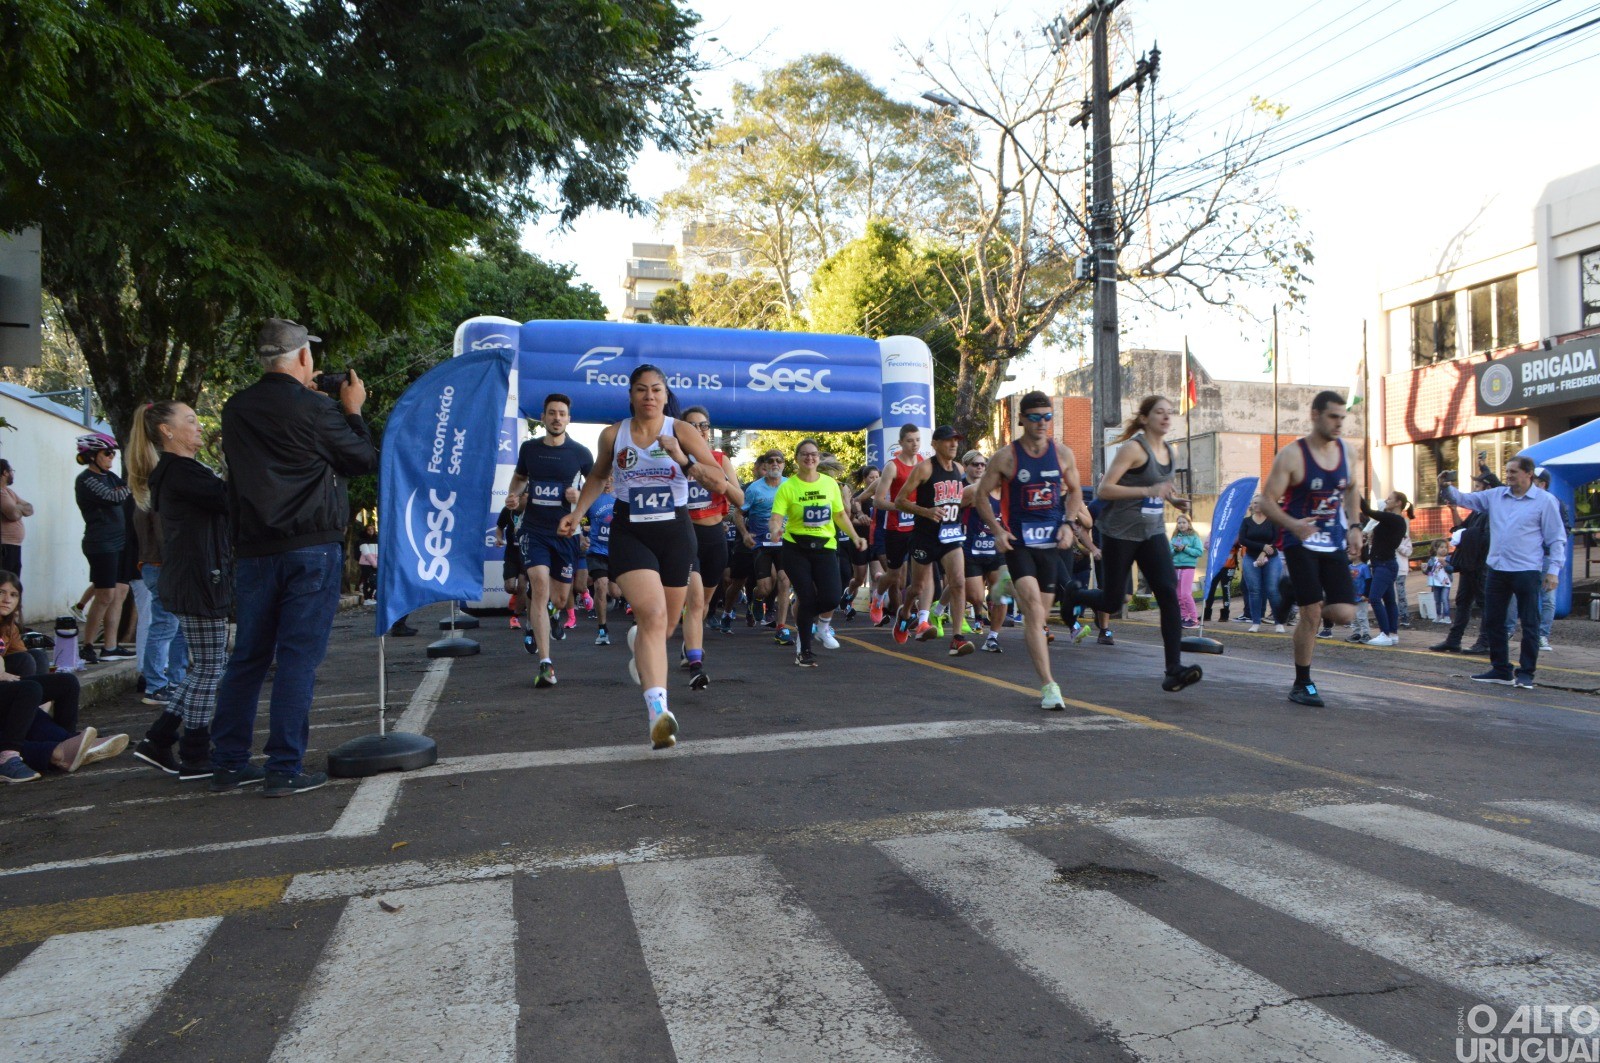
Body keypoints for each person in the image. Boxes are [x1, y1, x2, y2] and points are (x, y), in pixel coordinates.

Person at [207, 318, 378, 796]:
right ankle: (283, 767)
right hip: (310, 547)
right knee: (298, 658)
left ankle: (228, 762)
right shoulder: (315, 411)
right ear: (303, 357)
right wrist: (352, 410)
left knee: (248, 657)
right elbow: (362, 458)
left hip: (255, 549)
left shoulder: (235, 408)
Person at [562, 365, 721, 747]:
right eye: (641, 390)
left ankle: (641, 650)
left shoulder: (681, 431)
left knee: (664, 627)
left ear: (666, 397)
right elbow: (598, 477)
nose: (649, 396)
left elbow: (719, 482)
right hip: (630, 531)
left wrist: (682, 457)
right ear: (630, 396)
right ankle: (658, 713)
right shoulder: (613, 435)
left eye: (656, 390)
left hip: (676, 533)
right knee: (652, 615)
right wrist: (578, 514)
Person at [1061, 396, 1202, 693]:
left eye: (1169, 413)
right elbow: (1105, 488)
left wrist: (1173, 499)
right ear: (1144, 419)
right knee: (1113, 602)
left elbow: (1159, 490)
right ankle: (1075, 594)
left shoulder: (1168, 451)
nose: (1166, 417)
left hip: (1151, 533)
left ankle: (1173, 669)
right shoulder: (1134, 449)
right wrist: (1149, 488)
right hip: (1120, 533)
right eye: (1159, 413)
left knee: (1167, 595)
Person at [124, 401, 234, 778]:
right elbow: (228, 499)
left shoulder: (177, 472)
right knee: (209, 668)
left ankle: (160, 739)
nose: (199, 426)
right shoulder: (180, 472)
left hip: (196, 579)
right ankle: (194, 753)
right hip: (197, 580)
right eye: (190, 421)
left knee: (205, 666)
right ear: (167, 431)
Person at [974, 391, 1084, 710]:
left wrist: (1068, 522)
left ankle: (1008, 587)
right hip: (1019, 542)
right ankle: (1049, 686)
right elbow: (982, 495)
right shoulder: (1006, 457)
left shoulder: (1062, 454)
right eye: (1035, 417)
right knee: (1034, 611)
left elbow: (1075, 491)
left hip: (1051, 543)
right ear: (1021, 419)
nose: (1042, 423)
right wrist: (997, 530)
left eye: (1047, 417)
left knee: (1043, 611)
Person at [1257, 390, 1365, 708]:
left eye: (1343, 418)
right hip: (1300, 540)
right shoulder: (1292, 455)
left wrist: (1355, 527)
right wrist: (1292, 524)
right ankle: (1302, 683)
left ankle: (1289, 587)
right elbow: (1266, 500)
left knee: (1344, 614)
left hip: (1332, 540)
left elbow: (1352, 488)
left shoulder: (1348, 452)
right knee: (1312, 615)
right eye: (1333, 417)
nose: (1339, 424)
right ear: (1315, 415)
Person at [1437, 456, 1566, 689]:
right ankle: (1501, 669)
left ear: (1529, 474)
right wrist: (1446, 487)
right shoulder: (1496, 496)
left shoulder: (1545, 501)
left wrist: (1554, 570)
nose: (1508, 475)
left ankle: (1526, 672)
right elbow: (1465, 499)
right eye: (1507, 471)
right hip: (1497, 569)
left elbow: (1556, 538)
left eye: (1514, 472)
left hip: (1527, 569)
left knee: (1529, 623)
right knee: (1493, 620)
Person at [0, 570, 125, 782]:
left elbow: (20, 659)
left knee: (65, 682)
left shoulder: (8, 626)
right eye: (1, 592)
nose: (7, 599)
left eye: (13, 595)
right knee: (30, 689)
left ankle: (70, 742)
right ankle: (9, 758)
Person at [505, 395, 594, 687]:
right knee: (539, 587)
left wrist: (579, 497)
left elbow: (593, 492)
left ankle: (555, 614)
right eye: (552, 413)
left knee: (558, 597)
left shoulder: (580, 453)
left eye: (562, 414)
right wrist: (514, 496)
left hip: (565, 534)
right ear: (543, 417)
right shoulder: (529, 449)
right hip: (534, 531)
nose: (557, 418)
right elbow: (519, 479)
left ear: (569, 419)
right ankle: (546, 663)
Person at [768, 439, 865, 667]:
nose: (809, 458)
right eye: (804, 454)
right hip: (796, 548)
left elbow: (840, 515)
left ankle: (822, 627)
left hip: (825, 547)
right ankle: (804, 651)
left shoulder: (830, 484)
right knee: (807, 598)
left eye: (813, 454)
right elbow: (777, 518)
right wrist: (775, 531)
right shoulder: (788, 487)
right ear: (797, 459)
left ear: (818, 459)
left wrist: (855, 537)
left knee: (831, 596)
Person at [891, 426, 975, 656]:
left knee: (958, 582)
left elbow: (959, 499)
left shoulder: (959, 469)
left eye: (956, 441)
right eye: (948, 441)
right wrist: (926, 512)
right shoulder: (924, 469)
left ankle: (957, 638)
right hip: (925, 537)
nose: (954, 445)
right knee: (917, 587)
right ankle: (905, 613)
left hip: (950, 535)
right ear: (935, 444)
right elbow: (899, 501)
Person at [680, 406, 743, 689]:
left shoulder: (720, 459)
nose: (699, 431)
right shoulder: (673, 459)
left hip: (715, 535)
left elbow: (741, 498)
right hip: (685, 534)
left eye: (703, 426)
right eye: (691, 426)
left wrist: (719, 482)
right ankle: (695, 658)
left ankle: (688, 644)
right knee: (694, 600)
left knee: (705, 602)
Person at [74, 432, 136, 663]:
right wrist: (133, 481)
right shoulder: (87, 480)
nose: (111, 458)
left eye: (113, 453)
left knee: (120, 592)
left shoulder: (110, 476)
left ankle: (110, 646)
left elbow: (127, 492)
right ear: (92, 455)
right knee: (105, 595)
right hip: (101, 544)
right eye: (107, 453)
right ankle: (88, 645)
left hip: (120, 542)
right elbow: (114, 497)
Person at [1430, 470, 1497, 654]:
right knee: (1463, 601)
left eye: (1478, 487)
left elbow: (1486, 538)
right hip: (1469, 563)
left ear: (1488, 489)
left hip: (1481, 563)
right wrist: (1453, 511)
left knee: (1484, 603)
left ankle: (1484, 641)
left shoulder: (1492, 512)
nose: (1475, 490)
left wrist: (1466, 535)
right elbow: (1461, 528)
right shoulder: (1477, 512)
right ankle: (1454, 640)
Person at [131, 493, 188, 706]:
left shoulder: (144, 498)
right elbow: (164, 536)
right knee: (165, 626)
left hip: (153, 564)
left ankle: (173, 682)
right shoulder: (155, 499)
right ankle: (156, 686)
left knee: (173, 626)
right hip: (160, 565)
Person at [869, 425, 923, 628]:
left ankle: (909, 618)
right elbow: (878, 501)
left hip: (917, 528)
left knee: (915, 579)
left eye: (917, 440)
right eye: (910, 440)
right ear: (901, 442)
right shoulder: (892, 466)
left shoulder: (922, 463)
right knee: (894, 576)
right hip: (895, 528)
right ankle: (878, 596)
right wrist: (902, 506)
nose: (915, 444)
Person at [741, 450, 793, 643]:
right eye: (770, 461)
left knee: (784, 580)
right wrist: (746, 533)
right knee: (764, 588)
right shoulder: (754, 489)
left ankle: (781, 628)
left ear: (784, 465)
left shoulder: (791, 485)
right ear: (766, 464)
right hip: (761, 543)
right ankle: (756, 597)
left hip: (785, 542)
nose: (775, 464)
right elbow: (739, 513)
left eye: (779, 461)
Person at [959, 451, 1006, 652]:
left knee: (1002, 594)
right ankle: (943, 605)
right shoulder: (973, 491)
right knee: (976, 597)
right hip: (972, 551)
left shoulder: (1008, 493)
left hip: (997, 552)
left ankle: (992, 638)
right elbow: (952, 511)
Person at [1358, 491, 1410, 647]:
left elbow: (1367, 511)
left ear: (1398, 503)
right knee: (1388, 600)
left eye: (1390, 499)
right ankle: (1392, 633)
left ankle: (1385, 634)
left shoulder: (1394, 518)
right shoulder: (1395, 520)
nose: (1386, 500)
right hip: (1385, 563)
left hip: (1384, 564)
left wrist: (1356, 492)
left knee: (1374, 598)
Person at [1238, 497, 1288, 633]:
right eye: (1255, 502)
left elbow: (1276, 540)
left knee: (1273, 590)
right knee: (1254, 591)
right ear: (1251, 506)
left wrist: (1264, 553)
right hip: (1250, 558)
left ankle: (1279, 622)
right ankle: (1256, 622)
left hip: (1271, 559)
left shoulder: (1273, 520)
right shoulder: (1246, 521)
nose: (1257, 505)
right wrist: (1262, 547)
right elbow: (1243, 540)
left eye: (1260, 502)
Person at [582, 478, 617, 645]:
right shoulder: (592, 498)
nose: (608, 481)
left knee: (616, 592)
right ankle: (602, 629)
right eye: (606, 478)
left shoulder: (621, 497)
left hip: (618, 552)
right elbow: (580, 518)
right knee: (600, 586)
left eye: (612, 478)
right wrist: (582, 535)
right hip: (597, 551)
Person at [1170, 514, 1203, 629]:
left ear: (1189, 524)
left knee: (1185, 594)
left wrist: (1185, 548)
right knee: (1178, 595)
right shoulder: (1175, 537)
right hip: (1176, 567)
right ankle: (1184, 617)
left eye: (1184, 522)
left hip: (1188, 567)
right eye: (1179, 523)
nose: (1181, 525)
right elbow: (1169, 553)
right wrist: (1175, 549)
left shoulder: (1194, 537)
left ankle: (1194, 619)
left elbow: (1199, 552)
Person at [0, 460, 33, 575]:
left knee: (14, 583)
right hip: (5, 547)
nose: (12, 474)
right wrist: (18, 509)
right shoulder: (1, 493)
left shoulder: (9, 492)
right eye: (11, 471)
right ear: (5, 473)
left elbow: (30, 508)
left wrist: (16, 507)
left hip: (14, 547)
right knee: (5, 583)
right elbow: (13, 515)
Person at [1425, 539, 1453, 623]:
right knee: (1437, 600)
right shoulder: (1432, 560)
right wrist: (1424, 570)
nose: (1444, 549)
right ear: (1436, 549)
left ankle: (1447, 616)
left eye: (1445, 547)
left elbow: (1451, 569)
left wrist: (1444, 563)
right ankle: (1438, 615)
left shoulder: (1448, 558)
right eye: (1441, 547)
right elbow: (1429, 571)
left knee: (1444, 599)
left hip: (1446, 582)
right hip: (1436, 582)